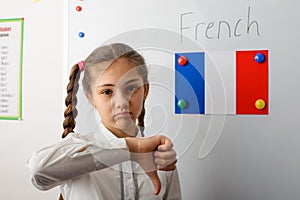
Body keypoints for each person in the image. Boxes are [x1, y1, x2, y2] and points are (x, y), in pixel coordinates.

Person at [27, 43, 182, 200]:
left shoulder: (161, 157)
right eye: (107, 92)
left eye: (131, 88)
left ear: (145, 91)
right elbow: (38, 170)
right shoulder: (75, 150)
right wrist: (133, 149)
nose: (121, 102)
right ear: (90, 97)